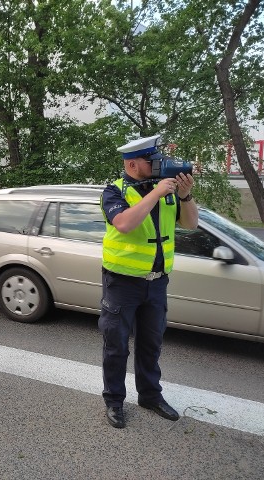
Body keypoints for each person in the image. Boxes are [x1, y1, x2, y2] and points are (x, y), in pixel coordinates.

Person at [99, 134, 198, 429]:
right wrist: (154, 194)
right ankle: (114, 401)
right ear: (132, 164)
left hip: (156, 284)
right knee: (116, 346)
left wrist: (185, 196)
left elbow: (191, 224)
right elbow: (125, 224)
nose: (157, 163)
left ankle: (150, 396)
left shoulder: (167, 191)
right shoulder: (114, 191)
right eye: (150, 160)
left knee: (151, 344)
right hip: (122, 284)